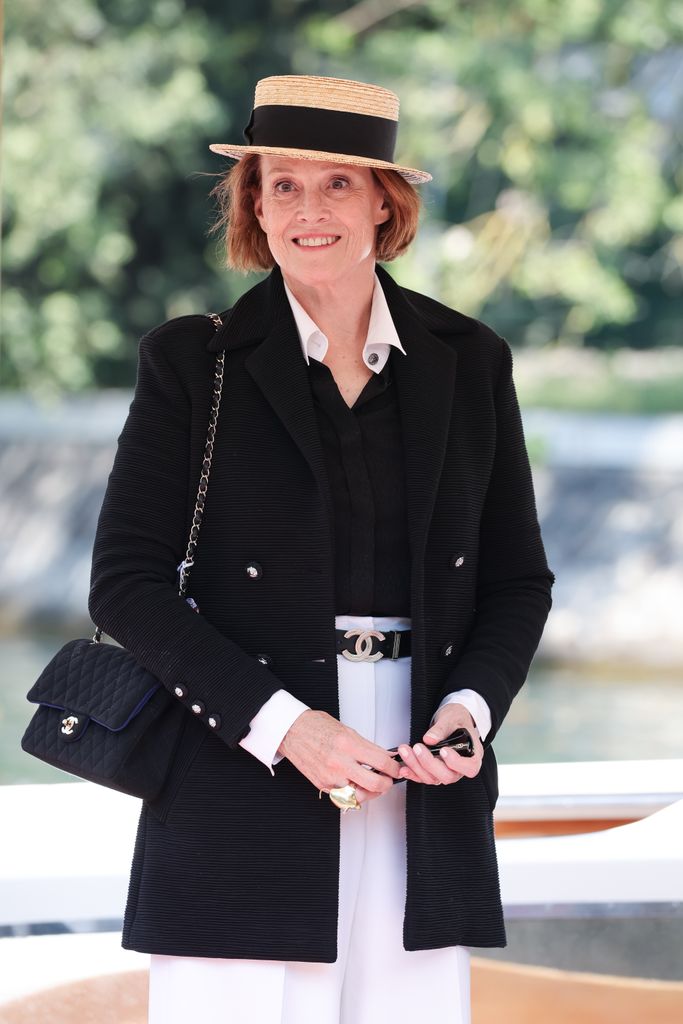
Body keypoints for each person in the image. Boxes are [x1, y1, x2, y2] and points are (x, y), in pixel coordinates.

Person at [88, 74, 554, 1024]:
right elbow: (125, 586)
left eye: (338, 183)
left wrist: (469, 713)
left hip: (421, 770)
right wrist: (287, 727)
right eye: (283, 183)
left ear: (386, 201)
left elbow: (517, 581)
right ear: (254, 204)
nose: (309, 209)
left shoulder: (470, 360)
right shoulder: (191, 361)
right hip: (242, 748)